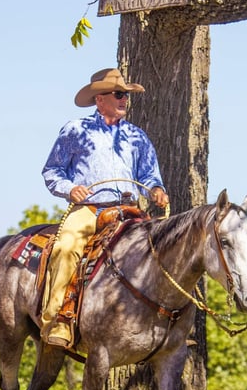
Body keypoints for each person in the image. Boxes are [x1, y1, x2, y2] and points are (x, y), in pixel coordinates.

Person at [41, 67, 170, 349]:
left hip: (130, 211)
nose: (125, 100)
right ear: (100, 99)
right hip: (89, 210)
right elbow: (52, 171)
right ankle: (58, 320)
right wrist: (70, 189)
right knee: (66, 248)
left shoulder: (137, 137)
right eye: (120, 94)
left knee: (163, 252)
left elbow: (149, 176)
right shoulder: (76, 130)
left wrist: (157, 190)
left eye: (126, 95)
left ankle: (165, 324)